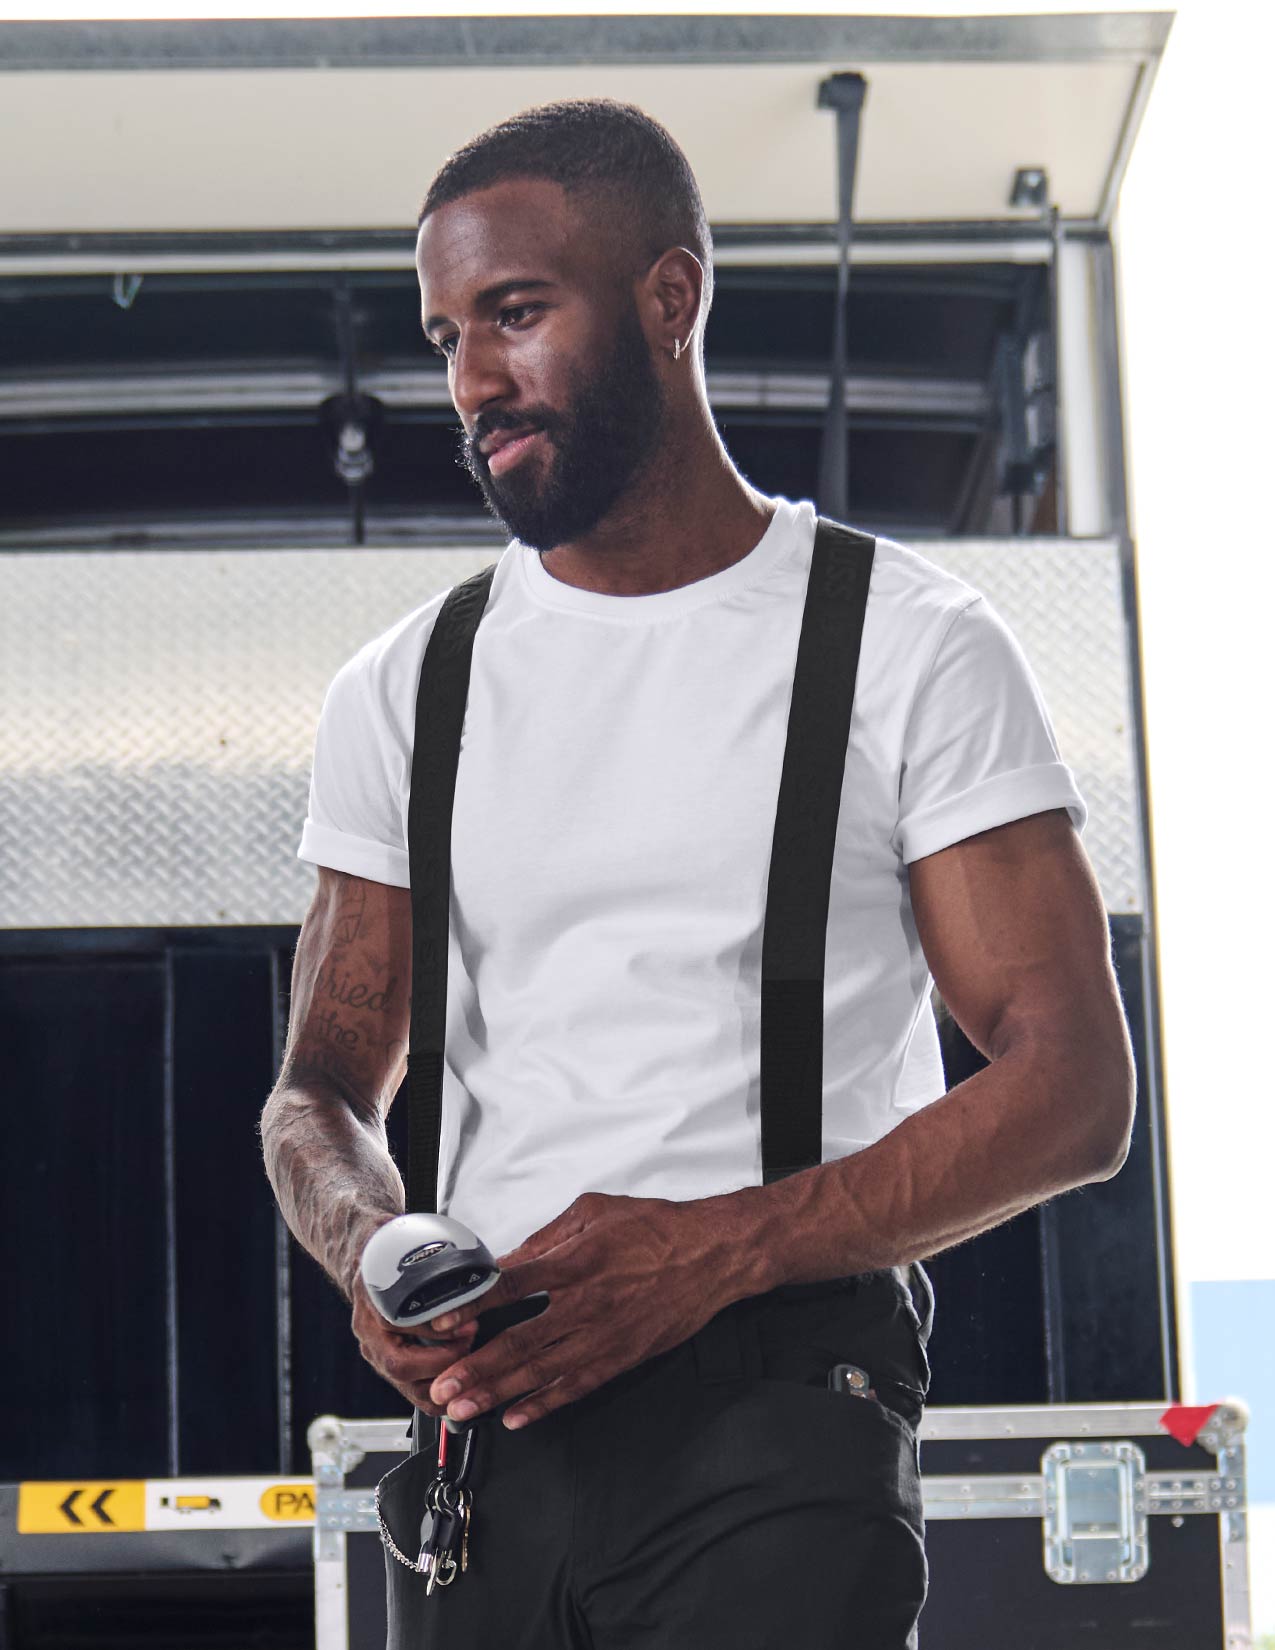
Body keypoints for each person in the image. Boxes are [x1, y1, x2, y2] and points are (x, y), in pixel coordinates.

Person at [261, 97, 1135, 1648]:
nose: (471, 379)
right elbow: (319, 1090)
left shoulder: (904, 643)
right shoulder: (407, 686)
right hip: (495, 1436)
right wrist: (376, 1243)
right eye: (446, 333)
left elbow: (1074, 1087)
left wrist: (720, 1247)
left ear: (672, 298)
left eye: (516, 314)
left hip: (782, 1424)